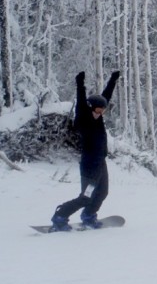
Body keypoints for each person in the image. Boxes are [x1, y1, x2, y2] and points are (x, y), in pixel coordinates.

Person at [49, 70, 120, 231]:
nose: (101, 113)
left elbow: (105, 97)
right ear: (91, 108)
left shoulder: (97, 115)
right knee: (86, 197)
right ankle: (60, 216)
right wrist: (80, 83)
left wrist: (113, 80)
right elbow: (81, 101)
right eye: (98, 110)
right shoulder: (83, 117)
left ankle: (88, 215)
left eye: (103, 110)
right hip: (89, 166)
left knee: (102, 193)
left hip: (100, 163)